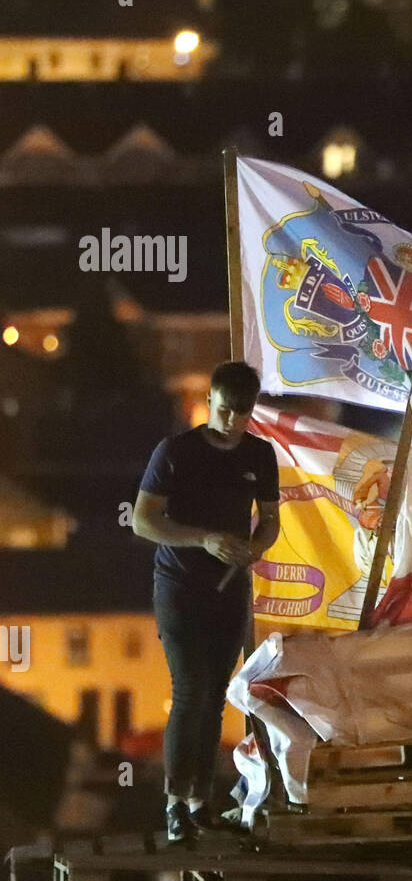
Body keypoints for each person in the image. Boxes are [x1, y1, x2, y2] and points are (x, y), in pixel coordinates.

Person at [132, 361, 280, 843]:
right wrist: (204, 539)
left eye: (241, 412)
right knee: (191, 690)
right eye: (223, 409)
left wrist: (254, 549)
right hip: (179, 585)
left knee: (216, 696)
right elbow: (143, 521)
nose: (231, 420)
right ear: (211, 400)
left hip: (230, 586)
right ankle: (175, 803)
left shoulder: (260, 454)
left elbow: (271, 520)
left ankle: (200, 802)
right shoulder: (175, 451)